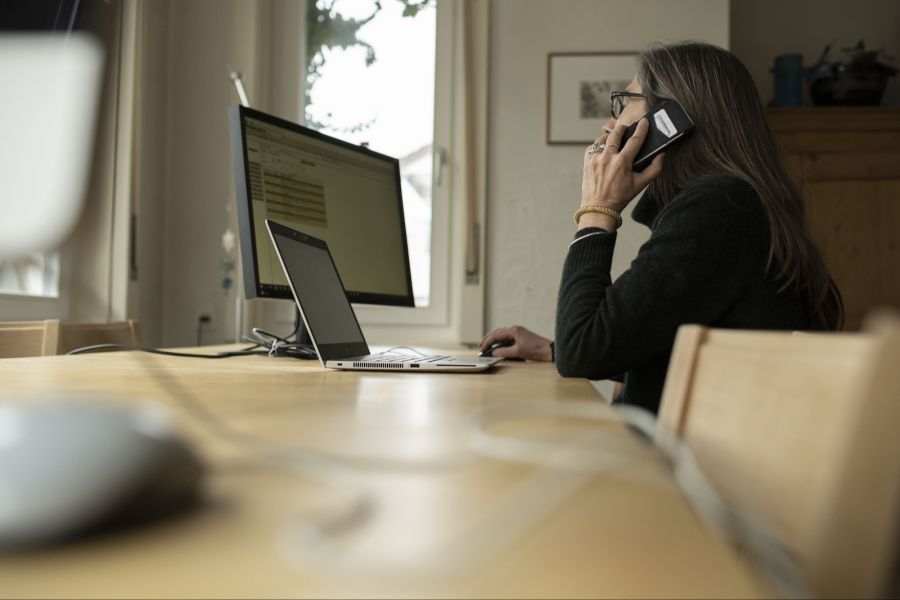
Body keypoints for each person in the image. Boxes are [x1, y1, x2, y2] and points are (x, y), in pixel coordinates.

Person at [480, 41, 843, 414]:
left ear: (670, 123)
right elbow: (656, 340)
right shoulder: (731, 204)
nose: (610, 124)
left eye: (626, 102)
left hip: (670, 466)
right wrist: (550, 349)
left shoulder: (720, 207)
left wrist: (596, 210)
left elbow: (583, 354)